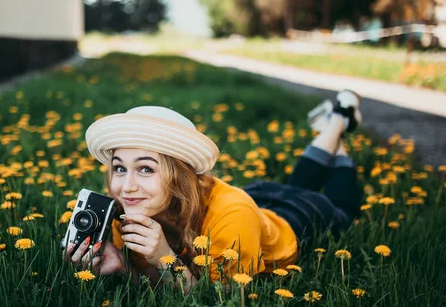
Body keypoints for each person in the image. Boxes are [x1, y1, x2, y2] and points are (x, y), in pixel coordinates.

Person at [63, 90, 363, 292]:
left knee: (341, 209)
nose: (126, 187)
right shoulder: (125, 211)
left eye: (145, 169)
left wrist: (166, 257)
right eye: (119, 168)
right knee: (296, 184)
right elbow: (155, 281)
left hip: (293, 218)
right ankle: (337, 121)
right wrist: (124, 267)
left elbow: (217, 298)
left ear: (180, 177)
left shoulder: (233, 215)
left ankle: (339, 122)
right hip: (255, 197)